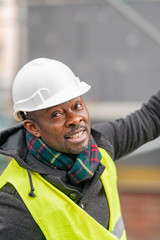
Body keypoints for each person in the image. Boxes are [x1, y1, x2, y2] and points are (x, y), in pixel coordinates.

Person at [0, 58, 160, 240]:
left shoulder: (101, 146)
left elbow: (152, 116)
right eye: (57, 114)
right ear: (32, 127)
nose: (75, 119)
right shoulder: (13, 202)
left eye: (77, 106)